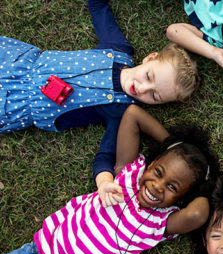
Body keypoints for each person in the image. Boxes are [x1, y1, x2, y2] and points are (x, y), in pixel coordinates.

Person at [0, 104, 219, 254]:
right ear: (150, 165)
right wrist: (173, 147)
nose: (157, 186)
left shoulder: (162, 222)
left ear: (181, 199)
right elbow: (133, 115)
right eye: (158, 172)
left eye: (173, 187)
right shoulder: (127, 175)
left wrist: (205, 186)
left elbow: (198, 214)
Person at [0, 0, 199, 182]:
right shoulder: (118, 49)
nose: (141, 88)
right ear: (149, 58)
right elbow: (99, 10)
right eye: (148, 76)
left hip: (17, 103)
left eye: (154, 96)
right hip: (17, 63)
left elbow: (106, 155)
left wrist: (104, 182)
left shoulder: (121, 112)